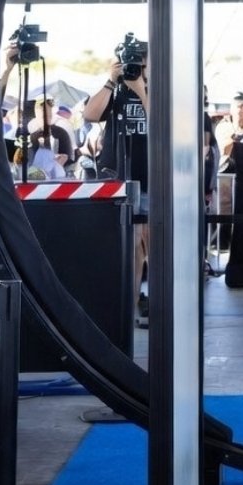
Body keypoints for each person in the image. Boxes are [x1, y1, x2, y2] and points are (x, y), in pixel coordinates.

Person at [82, 43, 150, 321]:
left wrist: (141, 89)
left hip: (151, 175)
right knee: (130, 247)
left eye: (142, 65)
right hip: (118, 175)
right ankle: (129, 308)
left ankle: (157, 306)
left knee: (153, 242)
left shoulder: (159, 88)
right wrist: (112, 80)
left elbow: (165, 123)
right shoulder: (116, 88)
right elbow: (90, 115)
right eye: (133, 63)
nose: (136, 69)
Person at [27, 96, 76, 172]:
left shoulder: (61, 133)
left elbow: (70, 160)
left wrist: (63, 161)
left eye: (49, 116)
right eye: (43, 117)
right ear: (36, 115)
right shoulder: (30, 135)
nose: (46, 120)